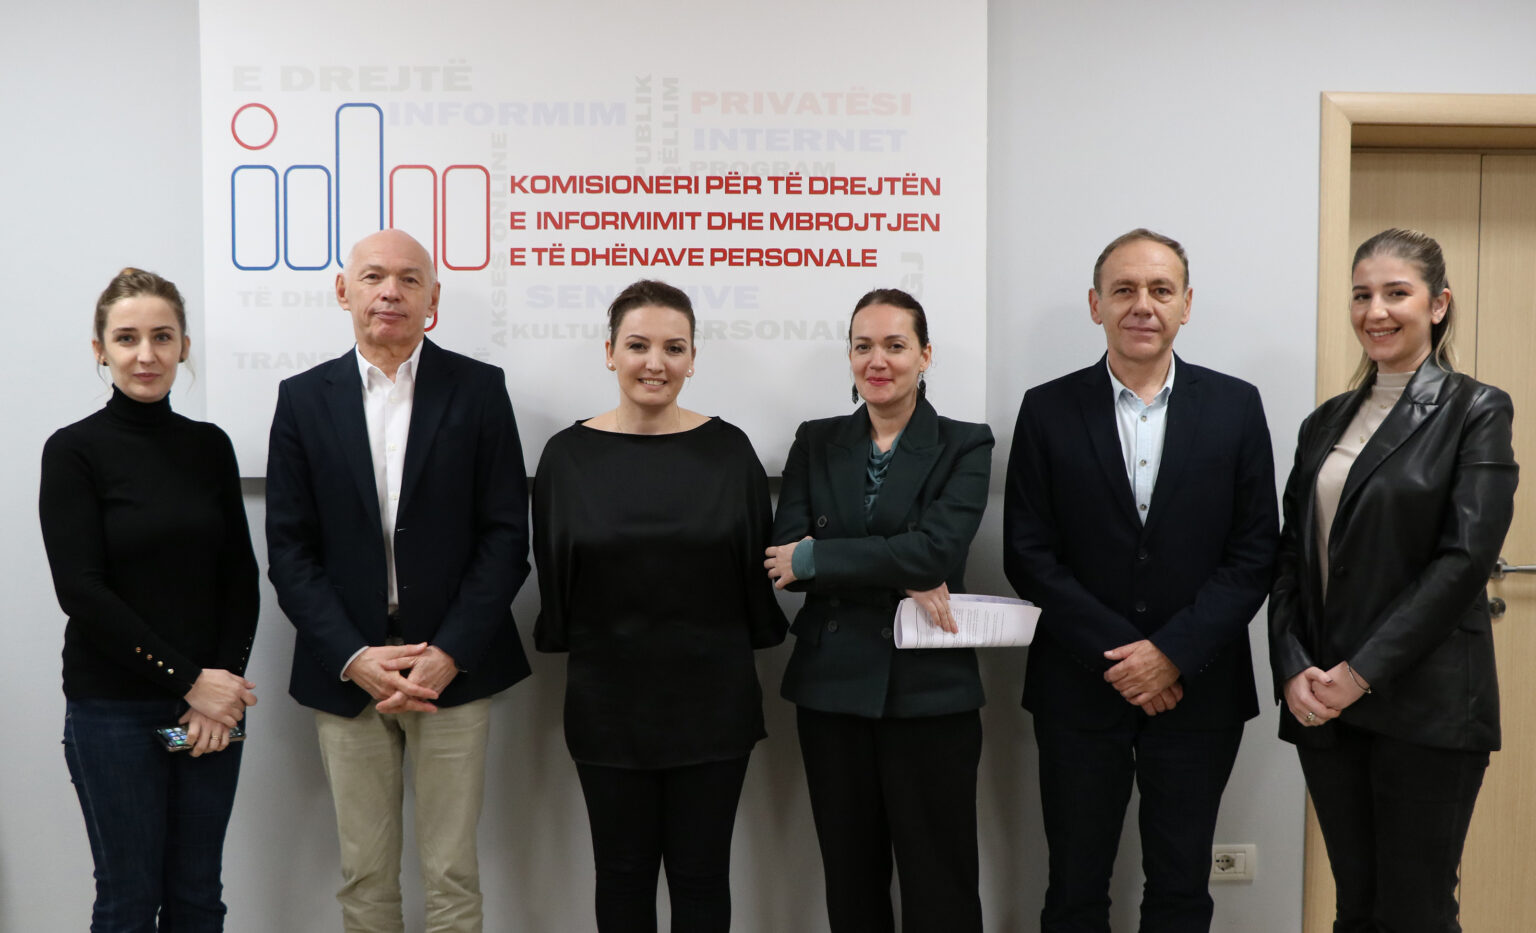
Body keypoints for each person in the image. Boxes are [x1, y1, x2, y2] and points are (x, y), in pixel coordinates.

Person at [1003, 229, 1278, 932]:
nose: (1142, 305)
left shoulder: (1236, 406)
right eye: (1123, 289)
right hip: (1078, 686)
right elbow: (1028, 554)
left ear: (1186, 304)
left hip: (1200, 687)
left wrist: (1171, 654)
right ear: (1096, 304)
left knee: (1181, 890)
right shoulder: (1047, 408)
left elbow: (1255, 552)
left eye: (1160, 289)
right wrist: (1129, 658)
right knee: (1073, 888)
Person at [265, 229, 531, 933]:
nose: (391, 291)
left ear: (433, 297)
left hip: (453, 670)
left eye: (410, 279)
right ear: (343, 290)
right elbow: (289, 550)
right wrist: (353, 656)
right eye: (374, 276)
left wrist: (450, 652)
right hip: (348, 668)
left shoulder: (479, 389)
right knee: (364, 877)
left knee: (453, 874)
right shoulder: (302, 398)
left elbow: (507, 536)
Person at [1269, 227, 1516, 933]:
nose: (1375, 311)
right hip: (1327, 703)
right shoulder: (1324, 422)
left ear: (1437, 305)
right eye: (1361, 295)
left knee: (1416, 911)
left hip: (1428, 704)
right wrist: (1293, 666)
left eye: (1395, 293)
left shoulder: (1476, 409)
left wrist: (1363, 672)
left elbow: (1464, 560)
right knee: (1357, 906)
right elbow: (1289, 558)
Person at [533, 279, 786, 933]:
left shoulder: (730, 451)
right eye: (638, 345)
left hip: (713, 705)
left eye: (674, 347)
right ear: (609, 352)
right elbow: (555, 582)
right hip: (607, 705)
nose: (656, 362)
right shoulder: (566, 457)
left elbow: (755, 576)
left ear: (693, 358)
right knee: (621, 879)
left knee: (702, 879)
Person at [764, 287, 993, 933]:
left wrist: (823, 557)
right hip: (831, 691)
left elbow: (936, 551)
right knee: (851, 880)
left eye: (895, 345)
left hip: (930, 691)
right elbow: (784, 563)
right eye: (863, 345)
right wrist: (902, 572)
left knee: (940, 881)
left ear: (925, 355)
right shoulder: (816, 440)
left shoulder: (965, 444)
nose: (878, 360)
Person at [40, 267, 260, 931]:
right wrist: (190, 680)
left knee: (198, 898)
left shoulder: (209, 446)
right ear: (100, 349)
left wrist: (219, 691)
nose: (146, 354)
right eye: (127, 337)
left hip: (209, 710)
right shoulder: (74, 451)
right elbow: (81, 591)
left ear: (184, 346)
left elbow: (240, 578)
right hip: (113, 709)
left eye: (162, 337)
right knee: (129, 900)